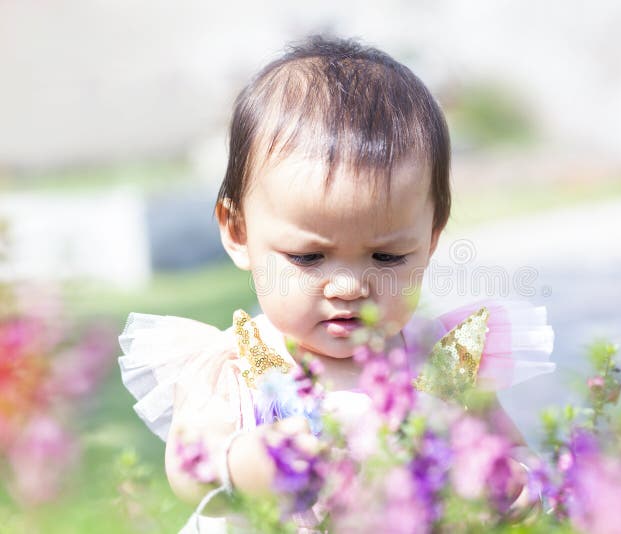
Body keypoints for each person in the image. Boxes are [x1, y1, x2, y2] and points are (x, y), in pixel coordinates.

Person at [118, 35, 555, 532]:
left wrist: (518, 479)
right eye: (309, 256)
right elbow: (189, 465)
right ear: (238, 233)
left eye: (387, 256)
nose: (348, 286)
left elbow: (507, 447)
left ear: (432, 238)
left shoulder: (442, 363)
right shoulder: (236, 362)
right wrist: (247, 464)